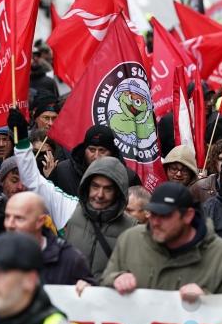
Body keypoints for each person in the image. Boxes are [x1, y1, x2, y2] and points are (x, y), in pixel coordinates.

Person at [9, 109, 137, 276]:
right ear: (86, 186)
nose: (99, 194)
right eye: (95, 186)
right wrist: (22, 143)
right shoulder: (70, 209)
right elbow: (34, 181)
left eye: (108, 188)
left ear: (119, 190)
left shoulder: (132, 228)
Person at [93, 182, 222, 299]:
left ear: (188, 216)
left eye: (165, 215)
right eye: (152, 214)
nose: (155, 222)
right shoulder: (130, 240)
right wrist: (116, 279)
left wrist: (208, 301)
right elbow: (104, 285)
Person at [4, 191, 95, 285]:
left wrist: (87, 289)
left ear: (40, 221)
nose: (10, 224)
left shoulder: (69, 259)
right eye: (7, 217)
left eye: (19, 218)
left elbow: (93, 295)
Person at [47, 124, 142, 196]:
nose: (96, 156)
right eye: (92, 150)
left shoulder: (128, 177)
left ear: (112, 152)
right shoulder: (63, 171)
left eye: (102, 150)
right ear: (84, 149)